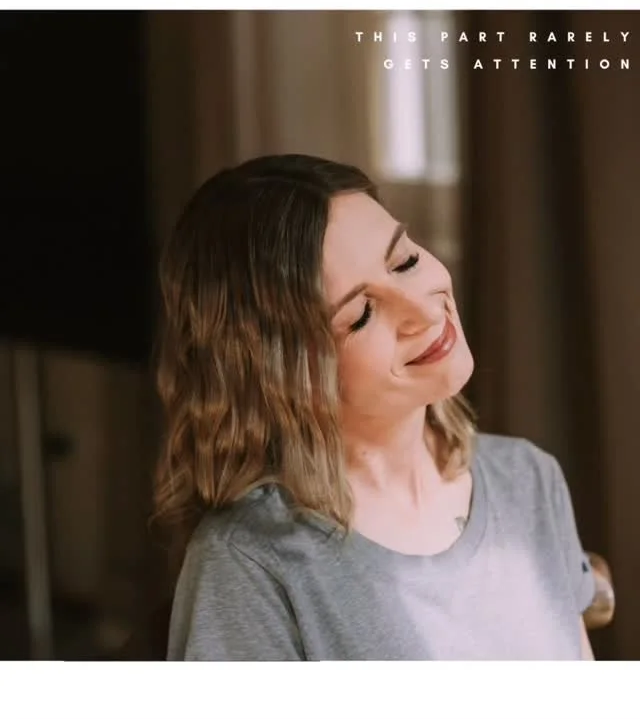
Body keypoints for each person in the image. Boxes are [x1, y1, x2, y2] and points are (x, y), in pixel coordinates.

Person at [152, 153, 596, 661]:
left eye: (405, 261)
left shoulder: (529, 479)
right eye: (362, 314)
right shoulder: (249, 563)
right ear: (285, 376)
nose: (423, 310)